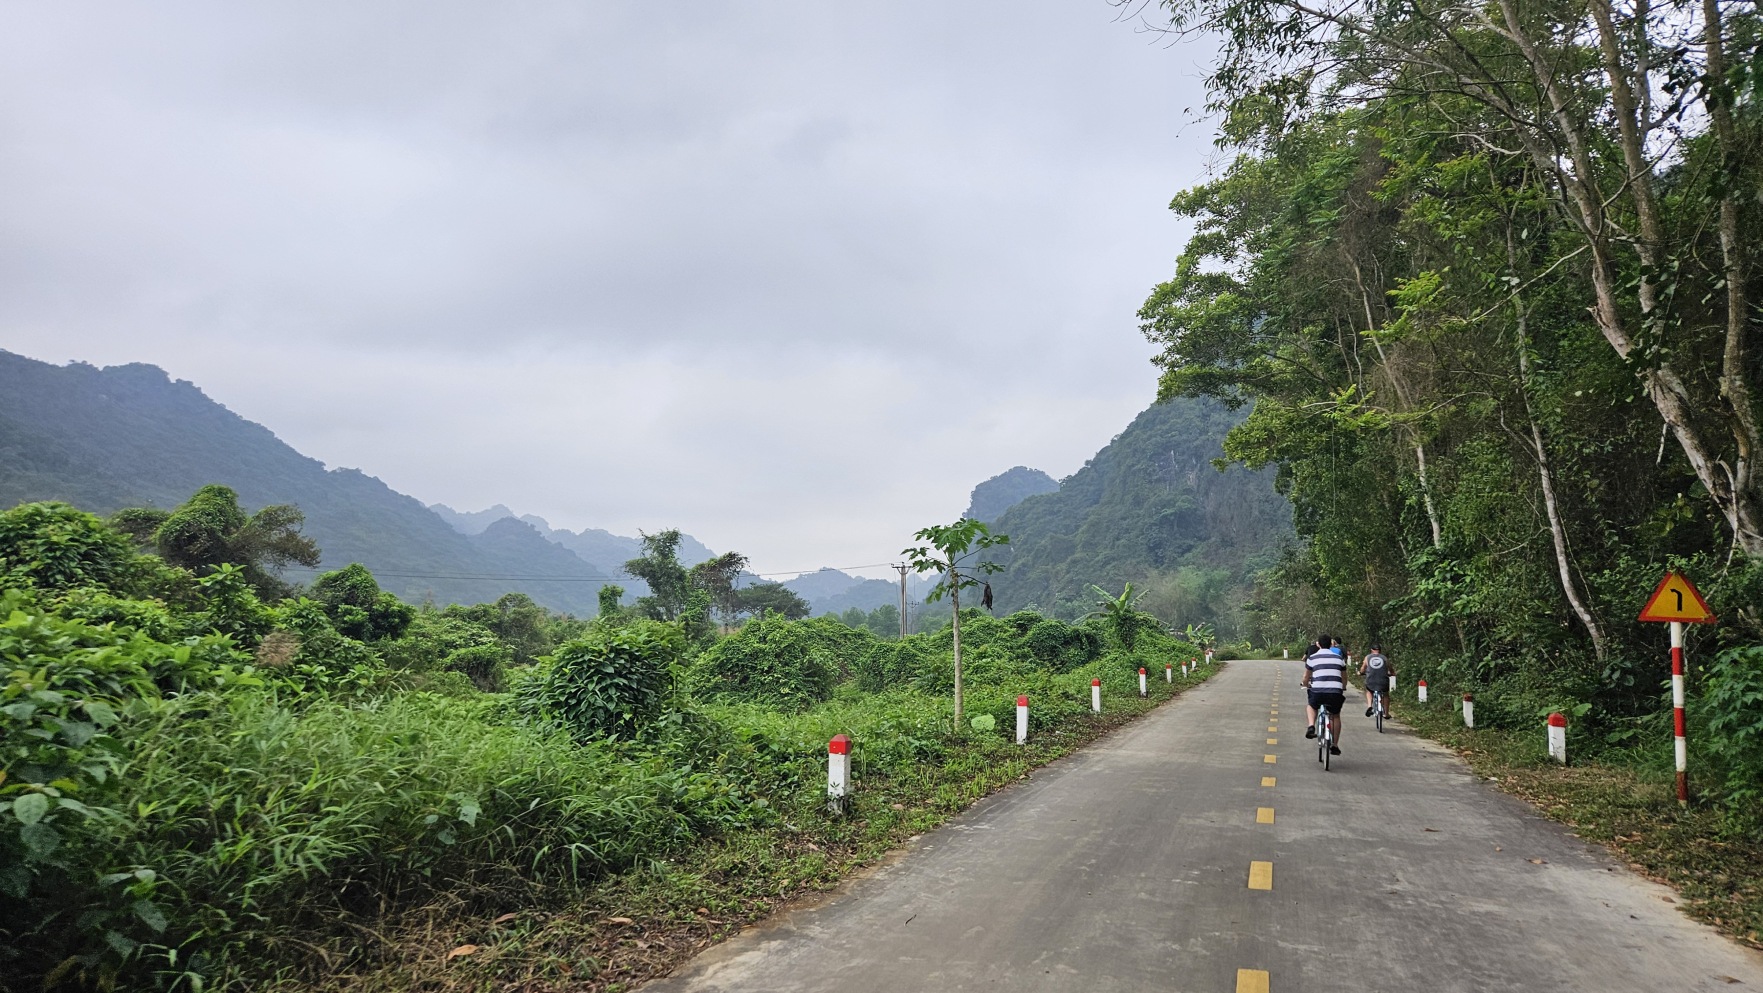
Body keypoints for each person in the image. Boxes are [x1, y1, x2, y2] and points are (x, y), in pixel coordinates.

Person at [1302, 634, 1346, 755]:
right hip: (1335, 692)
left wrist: (1305, 684)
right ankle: (1335, 745)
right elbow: (1344, 678)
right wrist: (1343, 687)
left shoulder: (1312, 658)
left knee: (1311, 706)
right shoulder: (1339, 658)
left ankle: (1311, 726)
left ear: (1318, 644)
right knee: (1335, 715)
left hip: (1317, 691)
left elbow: (1306, 676)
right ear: (1331, 644)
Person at [1359, 644, 1393, 718]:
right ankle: (1386, 713)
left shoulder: (1368, 657)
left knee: (1369, 691)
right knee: (1385, 694)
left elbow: (1363, 668)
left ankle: (1369, 706)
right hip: (1383, 681)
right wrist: (1392, 673)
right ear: (1380, 650)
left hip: (1371, 681)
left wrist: (1361, 672)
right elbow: (1390, 668)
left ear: (1371, 650)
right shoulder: (1384, 658)